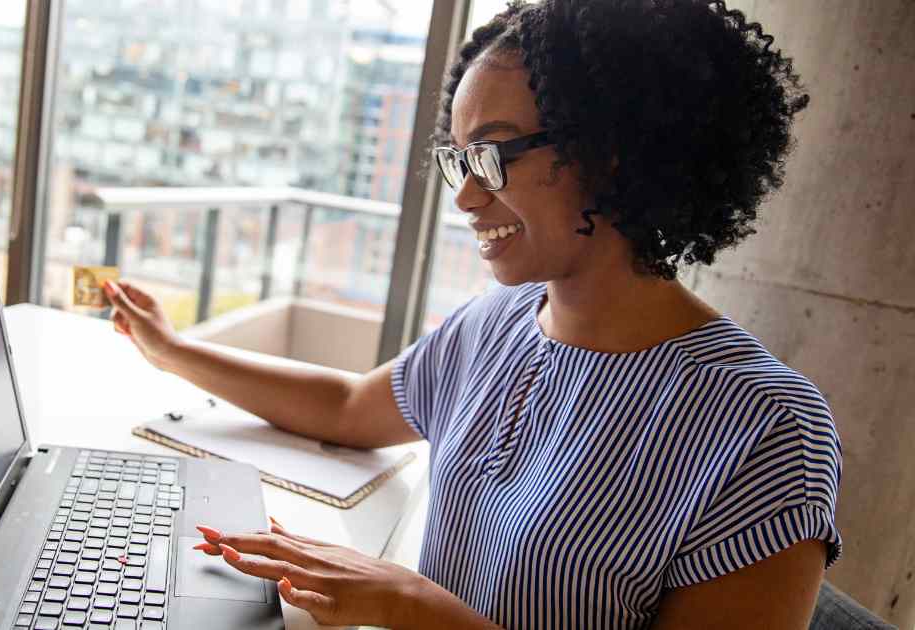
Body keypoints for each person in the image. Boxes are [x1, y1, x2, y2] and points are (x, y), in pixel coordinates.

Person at [102, 0, 842, 628]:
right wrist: (168, 349)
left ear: (614, 151)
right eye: (459, 160)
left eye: (493, 156)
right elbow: (349, 407)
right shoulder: (501, 322)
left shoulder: (768, 430)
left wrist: (412, 605)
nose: (463, 197)